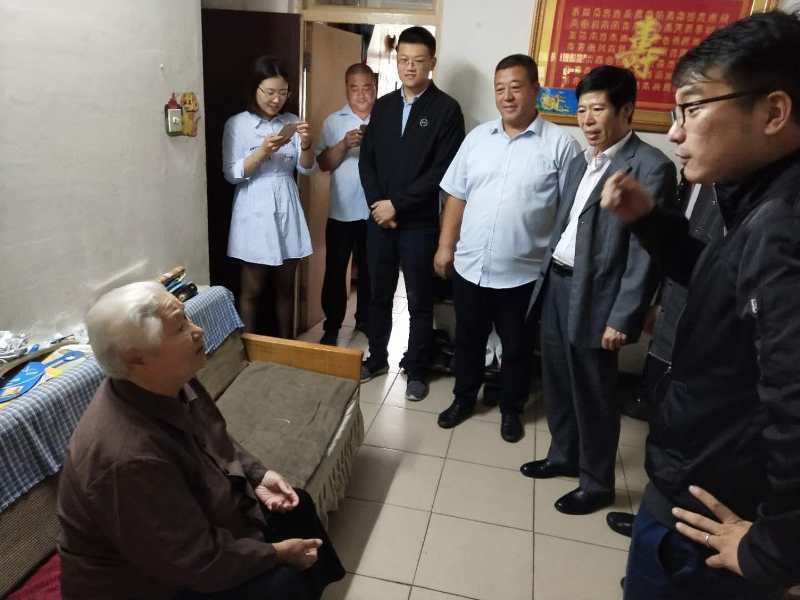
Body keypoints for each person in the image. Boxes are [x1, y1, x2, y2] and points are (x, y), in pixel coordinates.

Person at [601, 11, 800, 599]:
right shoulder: (753, 195)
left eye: (691, 109)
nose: (675, 132)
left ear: (773, 112)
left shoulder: (782, 226)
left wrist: (773, 551)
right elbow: (721, 284)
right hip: (695, 481)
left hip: (710, 517)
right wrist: (650, 222)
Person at [57, 282, 345, 599]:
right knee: (282, 584)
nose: (198, 331)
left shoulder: (168, 378)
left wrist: (257, 474)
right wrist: (276, 554)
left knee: (297, 506)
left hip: (187, 527)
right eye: (181, 327)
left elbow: (213, 435)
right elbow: (195, 561)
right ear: (136, 358)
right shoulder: (127, 459)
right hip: (143, 582)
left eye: (187, 318)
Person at [519, 66, 677, 516]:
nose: (587, 120)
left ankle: (596, 482)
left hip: (597, 295)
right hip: (557, 282)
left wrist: (624, 315)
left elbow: (647, 253)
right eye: (582, 110)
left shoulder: (652, 167)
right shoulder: (581, 160)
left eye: (598, 109)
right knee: (557, 380)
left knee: (593, 391)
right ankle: (564, 454)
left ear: (626, 111)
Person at [433, 54, 580, 443]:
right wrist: (445, 246)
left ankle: (511, 409)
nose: (507, 96)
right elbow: (457, 195)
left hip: (524, 275)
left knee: (517, 348)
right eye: (500, 89)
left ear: (536, 90)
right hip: (471, 267)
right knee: (468, 340)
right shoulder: (477, 139)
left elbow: (571, 214)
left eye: (516, 87)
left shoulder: (561, 146)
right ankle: (463, 398)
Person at [606, 179, 723, 539]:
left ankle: (672, 526)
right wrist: (657, 301)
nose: (681, 149)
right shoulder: (698, 179)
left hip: (708, 337)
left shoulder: (765, 203)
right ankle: (654, 515)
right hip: (673, 315)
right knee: (661, 422)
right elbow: (688, 253)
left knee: (694, 439)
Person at [358, 26, 465, 401]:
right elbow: (367, 161)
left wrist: (397, 204)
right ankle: (376, 359)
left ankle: (417, 368)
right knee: (377, 295)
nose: (409, 67)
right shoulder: (384, 105)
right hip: (379, 221)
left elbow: (442, 172)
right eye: (403, 60)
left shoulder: (446, 110)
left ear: (432, 62)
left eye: (418, 61)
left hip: (418, 224)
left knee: (420, 300)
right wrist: (378, 205)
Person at [223, 56, 315, 338]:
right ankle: (248, 351)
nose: (277, 99)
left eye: (283, 92)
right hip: (253, 205)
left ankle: (287, 347)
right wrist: (262, 151)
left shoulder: (292, 122)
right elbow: (232, 174)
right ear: (255, 89)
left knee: (285, 289)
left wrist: (307, 144)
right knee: (252, 290)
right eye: (270, 92)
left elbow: (306, 168)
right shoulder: (237, 124)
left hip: (287, 202)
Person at [316, 63, 377, 346]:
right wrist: (343, 144)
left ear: (374, 87)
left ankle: (365, 322)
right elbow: (323, 164)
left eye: (367, 88)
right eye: (355, 88)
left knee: (371, 271)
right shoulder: (334, 121)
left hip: (375, 211)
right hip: (341, 212)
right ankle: (332, 326)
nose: (362, 95)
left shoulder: (386, 117)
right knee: (335, 271)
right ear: (347, 90)